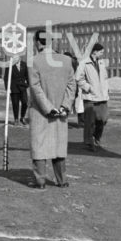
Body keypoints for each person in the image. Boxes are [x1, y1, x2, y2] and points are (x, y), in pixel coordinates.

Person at [27, 30, 76, 189]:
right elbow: (71, 86)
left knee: (39, 145)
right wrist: (65, 106)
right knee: (59, 145)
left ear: (37, 42)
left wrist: (48, 108)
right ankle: (62, 180)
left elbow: (35, 88)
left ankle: (40, 181)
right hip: (61, 112)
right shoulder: (66, 60)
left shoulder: (33, 61)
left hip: (40, 112)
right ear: (50, 42)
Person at [76, 42, 109, 151]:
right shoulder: (84, 63)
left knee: (103, 119)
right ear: (95, 52)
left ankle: (96, 137)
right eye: (101, 52)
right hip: (90, 97)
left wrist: (106, 89)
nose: (103, 54)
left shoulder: (102, 63)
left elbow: (104, 78)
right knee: (90, 122)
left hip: (102, 97)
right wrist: (88, 87)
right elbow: (78, 79)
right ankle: (90, 142)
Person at [4, 56, 29, 125]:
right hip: (13, 88)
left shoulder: (24, 64)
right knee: (15, 104)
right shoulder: (9, 65)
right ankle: (16, 119)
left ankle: (22, 117)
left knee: (25, 103)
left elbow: (27, 76)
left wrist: (29, 84)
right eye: (14, 58)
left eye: (16, 58)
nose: (15, 59)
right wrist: (7, 88)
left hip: (22, 87)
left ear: (19, 58)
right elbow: (6, 78)